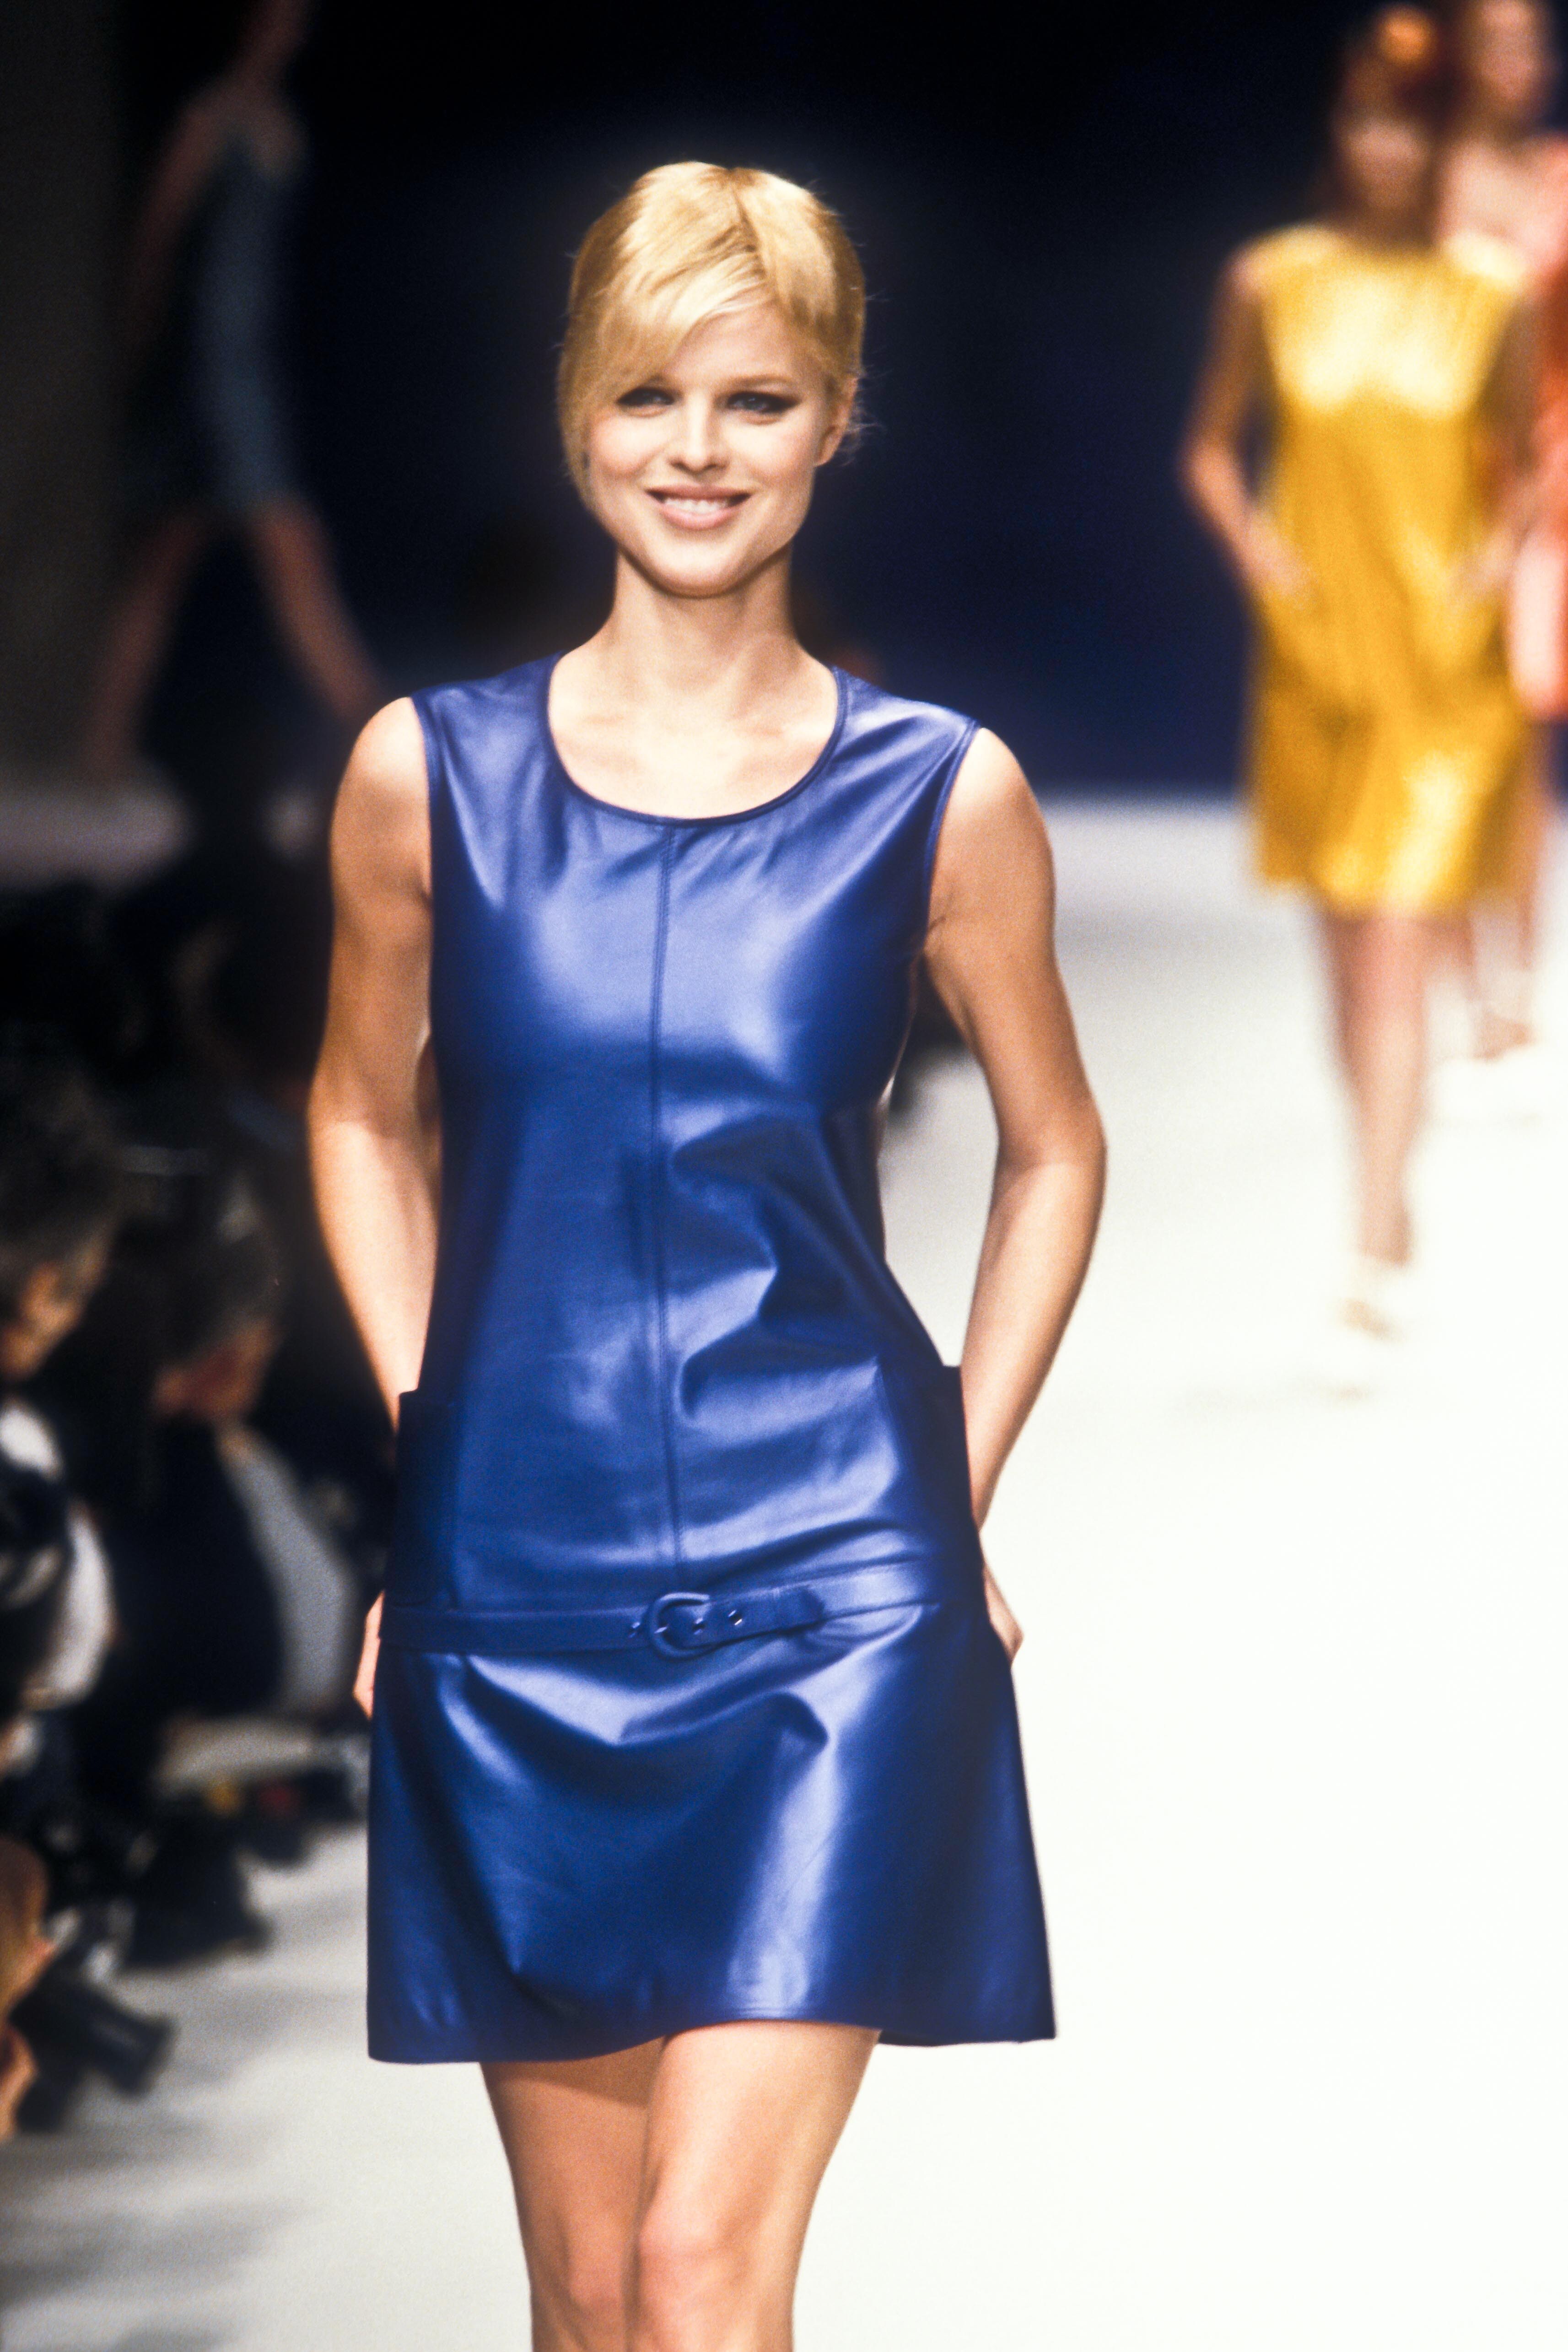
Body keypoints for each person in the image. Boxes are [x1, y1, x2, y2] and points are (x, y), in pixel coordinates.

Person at [310, 163, 1105, 2348]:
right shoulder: (424, 779)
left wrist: (945, 1492)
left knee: (694, 2272)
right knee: (584, 2293)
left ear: (834, 417)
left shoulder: (937, 794)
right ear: (571, 408)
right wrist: (428, 1457)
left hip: (831, 1585)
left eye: (752, 399)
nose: (693, 448)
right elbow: (359, 1113)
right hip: (514, 1581)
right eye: (644, 393)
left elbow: (1051, 1147)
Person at [1182, 7, 1536, 1370]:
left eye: (1409, 126)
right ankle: (1385, 1202)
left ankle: (1367, 1250)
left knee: (1396, 948)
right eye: (1365, 121)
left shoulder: (1492, 292)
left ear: (1443, 140)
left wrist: (1489, 566)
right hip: (1315, 658)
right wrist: (1257, 555)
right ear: (1336, 130)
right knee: (1342, 963)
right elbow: (1210, 446)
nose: (1384, 148)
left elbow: (1526, 459)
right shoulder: (1271, 280)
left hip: (1440, 672)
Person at [81, 0, 379, 785]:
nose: (284, 32)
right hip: (209, 368)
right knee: (291, 548)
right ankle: (382, 734)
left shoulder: (278, 126)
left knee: (160, 568)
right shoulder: (209, 121)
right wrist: (139, 351)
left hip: (244, 357)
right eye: (271, 17)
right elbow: (155, 240)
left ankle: (100, 755)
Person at [1442, 0, 1564, 1067]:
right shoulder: (1417, 176)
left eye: (1532, 43)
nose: (1519, 65)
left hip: (1544, 477)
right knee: (1432, 729)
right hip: (1430, 476)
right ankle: (1457, 984)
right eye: (1497, 43)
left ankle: (1517, 983)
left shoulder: (1561, 175)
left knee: (1519, 735)